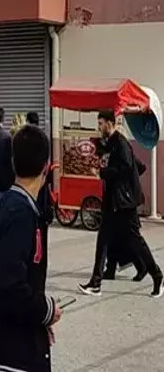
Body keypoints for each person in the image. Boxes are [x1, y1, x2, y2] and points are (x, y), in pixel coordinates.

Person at [0, 125, 61, 372]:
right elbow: (9, 283)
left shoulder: (4, 205)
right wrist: (46, 309)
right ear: (46, 167)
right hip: (9, 354)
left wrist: (38, 320)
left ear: (13, 162)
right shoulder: (22, 213)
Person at [78, 109, 163, 297]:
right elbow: (107, 156)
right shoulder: (111, 143)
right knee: (103, 240)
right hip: (112, 201)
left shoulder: (121, 143)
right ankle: (95, 282)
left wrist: (102, 173)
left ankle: (156, 275)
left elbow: (125, 169)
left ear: (110, 123)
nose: (99, 127)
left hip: (123, 203)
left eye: (101, 124)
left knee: (135, 240)